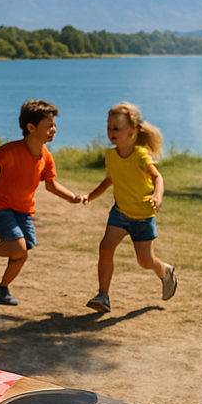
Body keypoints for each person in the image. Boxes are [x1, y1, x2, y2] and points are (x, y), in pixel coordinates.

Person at [0, 99, 83, 306]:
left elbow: (51, 185)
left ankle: (1, 288)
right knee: (19, 248)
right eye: (49, 126)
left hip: (25, 210)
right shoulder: (13, 150)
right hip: (1, 205)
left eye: (54, 125)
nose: (54, 130)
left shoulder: (45, 157)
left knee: (22, 252)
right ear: (31, 128)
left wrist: (72, 196)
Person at [83, 101, 177, 314]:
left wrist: (157, 195)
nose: (111, 132)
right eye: (109, 127)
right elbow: (111, 179)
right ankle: (103, 295)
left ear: (132, 130)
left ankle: (165, 272)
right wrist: (91, 195)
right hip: (121, 212)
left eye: (116, 128)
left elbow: (157, 177)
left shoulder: (140, 155)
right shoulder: (110, 155)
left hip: (143, 216)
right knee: (105, 247)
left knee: (145, 261)